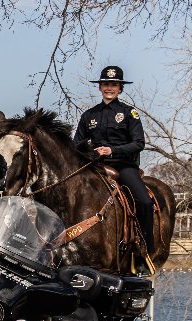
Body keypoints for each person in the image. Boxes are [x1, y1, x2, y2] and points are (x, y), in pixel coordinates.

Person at [74, 65, 153, 273]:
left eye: (114, 85)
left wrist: (112, 150)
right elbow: (77, 146)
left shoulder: (129, 114)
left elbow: (139, 143)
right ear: (100, 87)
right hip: (96, 167)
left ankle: (144, 252)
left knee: (144, 201)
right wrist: (90, 152)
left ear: (120, 89)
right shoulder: (88, 115)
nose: (109, 88)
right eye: (106, 84)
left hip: (123, 166)